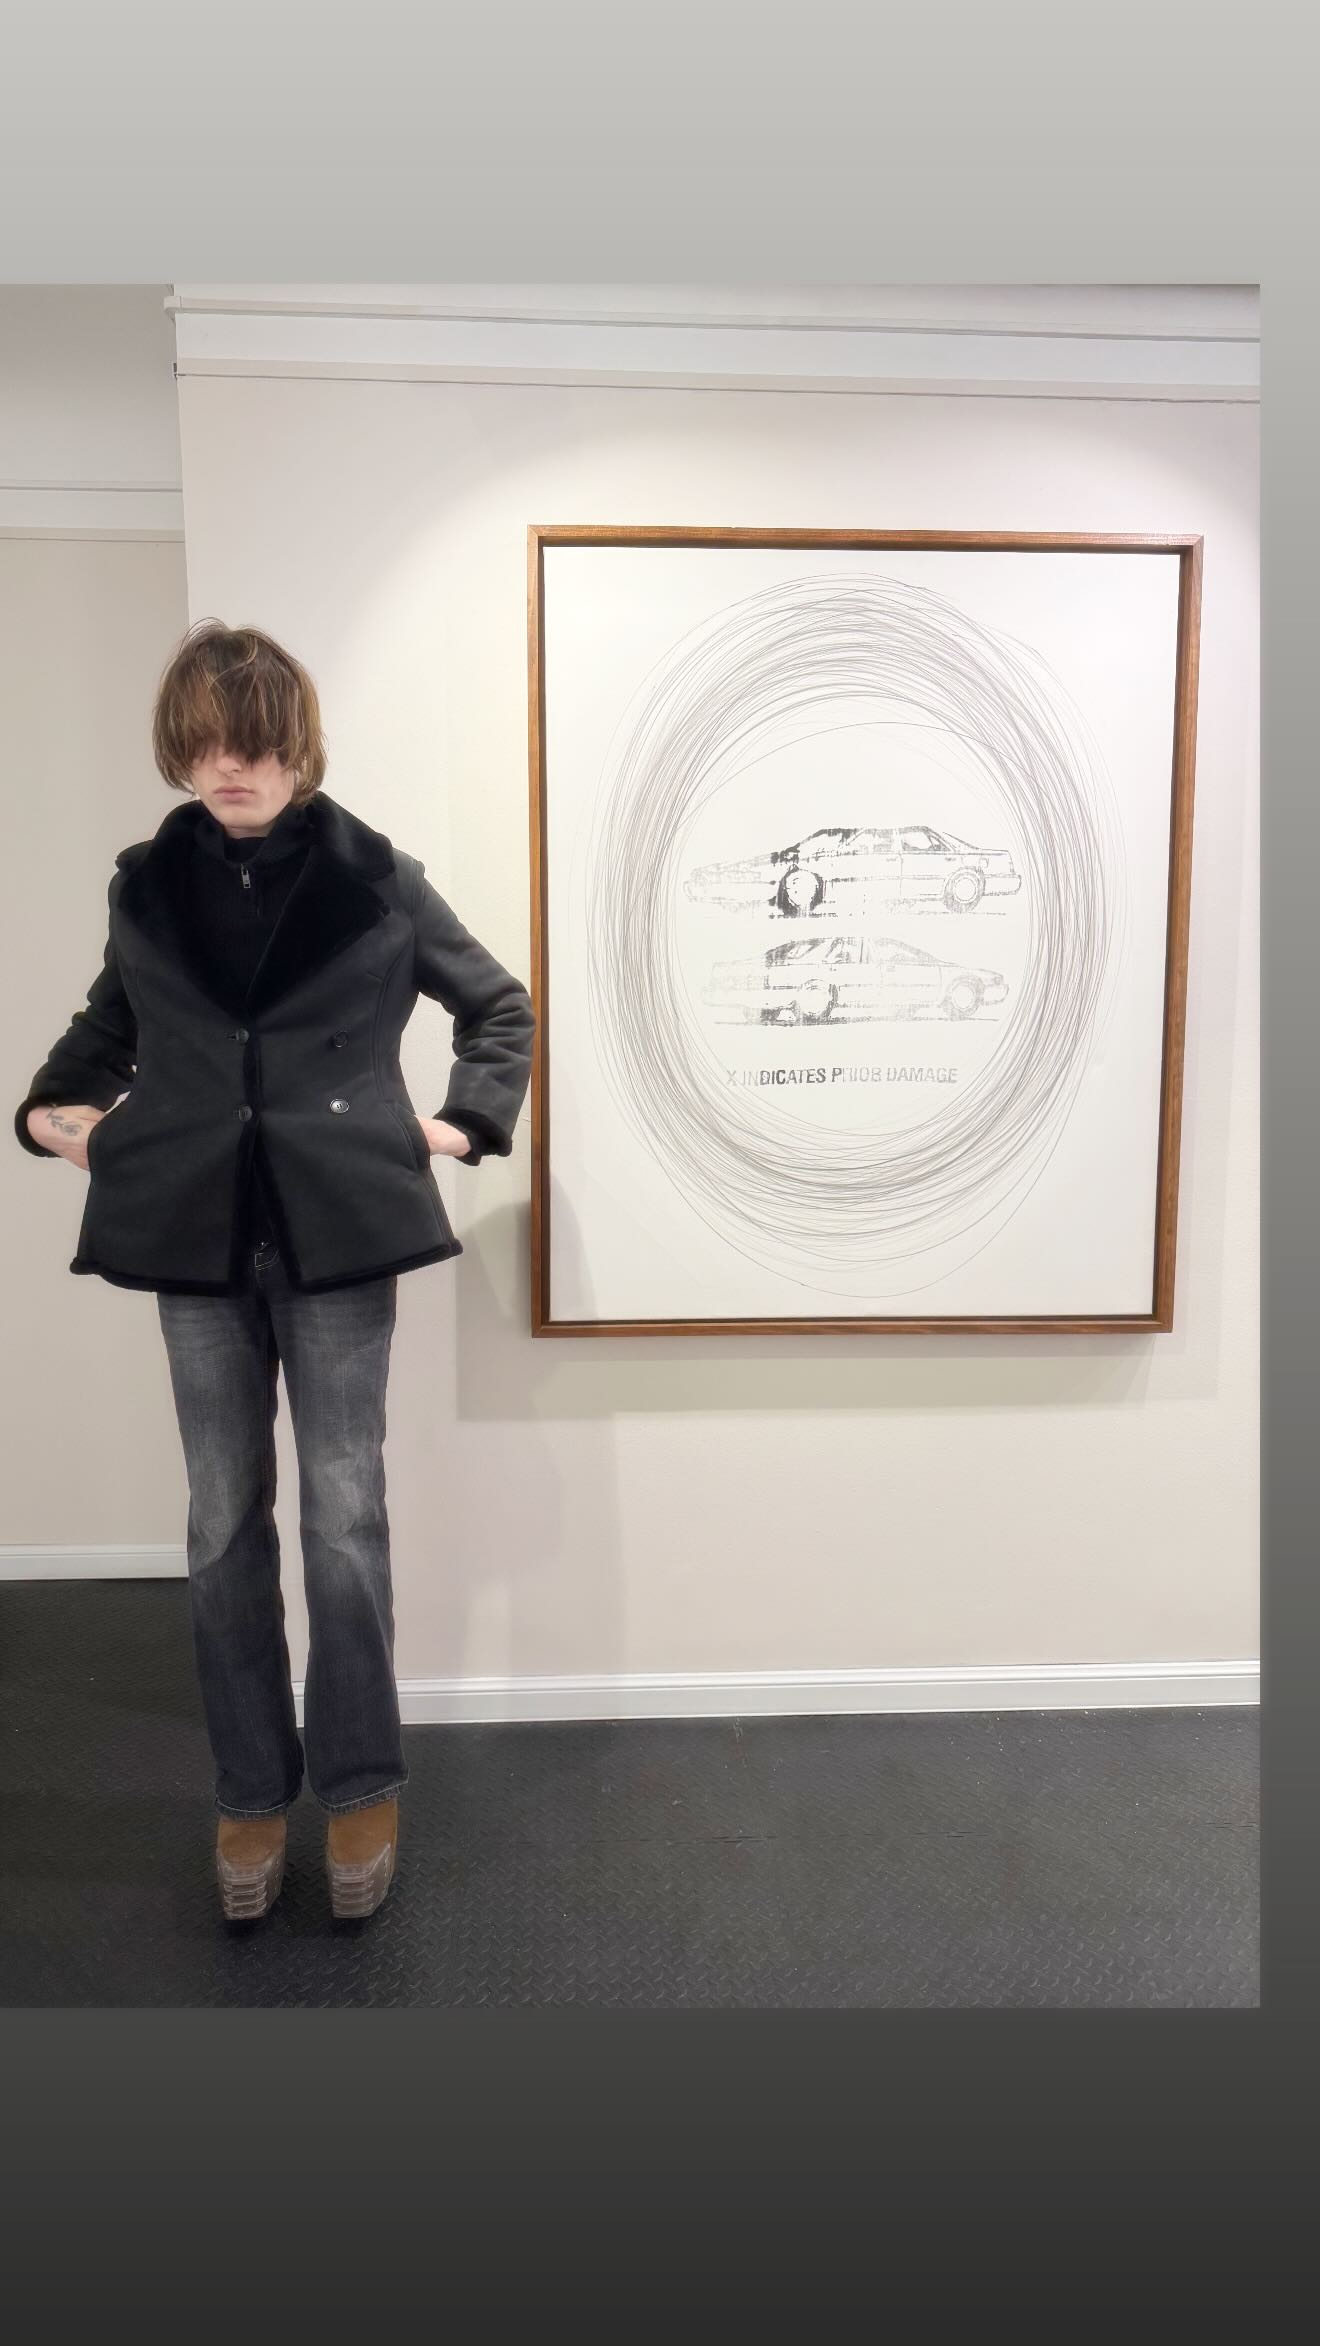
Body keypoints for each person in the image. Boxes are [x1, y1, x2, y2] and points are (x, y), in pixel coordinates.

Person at [14, 620, 536, 1925]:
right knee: (218, 1524)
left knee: (344, 1516)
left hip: (339, 1232)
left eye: (250, 744)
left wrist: (457, 1124)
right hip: (194, 1236)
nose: (228, 767)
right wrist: (65, 1123)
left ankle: (360, 1780)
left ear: (296, 745)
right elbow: (100, 1038)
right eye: (203, 746)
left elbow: (497, 1005)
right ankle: (250, 1789)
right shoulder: (148, 887)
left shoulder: (379, 881)